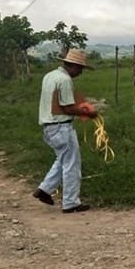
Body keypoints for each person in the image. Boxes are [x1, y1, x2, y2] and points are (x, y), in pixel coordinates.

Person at [33, 49, 97, 213]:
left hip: (49, 127)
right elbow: (68, 108)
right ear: (74, 66)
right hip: (61, 127)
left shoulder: (50, 76)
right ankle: (70, 203)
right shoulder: (65, 80)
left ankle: (45, 189)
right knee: (71, 164)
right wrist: (88, 113)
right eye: (80, 68)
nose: (81, 72)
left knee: (62, 159)